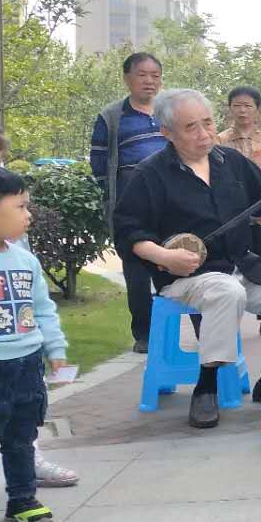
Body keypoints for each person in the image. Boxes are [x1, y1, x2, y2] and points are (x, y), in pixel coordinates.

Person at [113, 90, 261, 429]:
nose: (204, 134)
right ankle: (206, 386)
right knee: (227, 291)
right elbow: (127, 232)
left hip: (240, 264)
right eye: (191, 127)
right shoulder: (150, 174)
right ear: (167, 132)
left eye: (208, 123)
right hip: (185, 276)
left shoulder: (231, 162)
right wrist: (164, 255)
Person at [0, 131, 78, 488]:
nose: (28, 215)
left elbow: (43, 309)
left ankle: (24, 496)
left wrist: (55, 349)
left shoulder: (25, 260)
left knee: (22, 432)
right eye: (21, 207)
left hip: (27, 363)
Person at [90, 52, 167, 353]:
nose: (149, 81)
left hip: (170, 206)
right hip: (130, 209)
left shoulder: (171, 111)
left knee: (173, 268)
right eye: (142, 74)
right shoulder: (112, 116)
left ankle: (176, 333)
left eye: (155, 75)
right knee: (136, 273)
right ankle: (144, 335)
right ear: (127, 78)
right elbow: (99, 163)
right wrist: (115, 199)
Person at [216, 86, 261, 336]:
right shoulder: (220, 141)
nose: (242, 110)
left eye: (248, 106)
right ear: (230, 108)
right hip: (233, 216)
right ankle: (229, 313)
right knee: (231, 263)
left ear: (257, 110)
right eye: (237, 105)